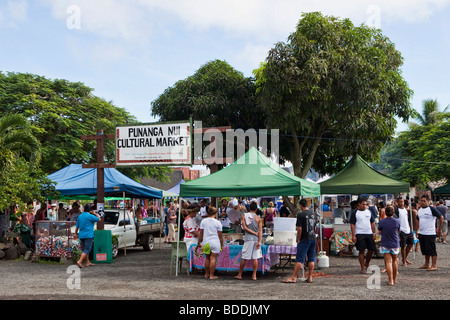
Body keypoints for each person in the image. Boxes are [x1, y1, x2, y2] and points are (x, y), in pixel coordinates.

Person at [282, 198, 317, 283]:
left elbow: (299, 229)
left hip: (304, 238)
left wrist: (298, 239)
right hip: (313, 237)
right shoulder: (313, 214)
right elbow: (315, 227)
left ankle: (293, 277)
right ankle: (310, 277)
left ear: (301, 205)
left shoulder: (300, 215)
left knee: (300, 259)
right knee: (311, 258)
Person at [235, 201, 263, 281]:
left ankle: (240, 274)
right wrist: (259, 241)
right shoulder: (258, 218)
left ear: (249, 208)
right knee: (255, 258)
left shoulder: (244, 215)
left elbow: (244, 227)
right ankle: (254, 275)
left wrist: (253, 233)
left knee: (244, 257)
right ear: (256, 209)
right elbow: (260, 232)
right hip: (256, 239)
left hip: (248, 239)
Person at [417, 195, 444, 271]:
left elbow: (441, 217)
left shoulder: (431, 209)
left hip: (430, 233)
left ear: (428, 201)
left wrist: (439, 228)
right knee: (425, 250)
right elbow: (418, 219)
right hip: (422, 233)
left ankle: (434, 265)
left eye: (424, 201)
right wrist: (417, 230)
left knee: (432, 250)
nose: (422, 202)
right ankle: (426, 264)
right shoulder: (419, 210)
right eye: (421, 201)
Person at [350, 198, 376, 274]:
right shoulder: (355, 212)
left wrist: (373, 233)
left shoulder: (369, 212)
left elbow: (372, 223)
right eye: (363, 204)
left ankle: (367, 263)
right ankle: (362, 267)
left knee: (371, 249)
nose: (365, 206)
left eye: (366, 204)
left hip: (369, 233)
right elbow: (352, 224)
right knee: (361, 250)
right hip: (359, 233)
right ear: (359, 205)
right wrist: (353, 235)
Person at [197, 206, 223, 280]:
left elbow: (201, 233)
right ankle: (212, 275)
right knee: (213, 258)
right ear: (215, 213)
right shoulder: (218, 222)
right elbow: (220, 236)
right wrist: (222, 244)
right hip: (215, 242)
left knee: (207, 258)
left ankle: (206, 273)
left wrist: (199, 242)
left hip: (206, 242)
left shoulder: (203, 221)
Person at [377, 205, 401, 286]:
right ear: (393, 212)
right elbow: (399, 231)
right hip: (395, 243)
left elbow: (379, 231)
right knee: (395, 261)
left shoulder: (382, 221)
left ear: (385, 212)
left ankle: (390, 280)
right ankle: (395, 279)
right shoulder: (397, 221)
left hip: (385, 243)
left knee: (388, 262)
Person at [73, 203, 100, 268]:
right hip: (88, 235)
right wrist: (95, 214)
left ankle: (87, 262)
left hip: (81, 235)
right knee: (87, 249)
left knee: (85, 249)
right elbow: (99, 219)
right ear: (90, 210)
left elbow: (77, 226)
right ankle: (80, 261)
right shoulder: (90, 216)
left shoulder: (80, 216)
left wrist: (75, 233)